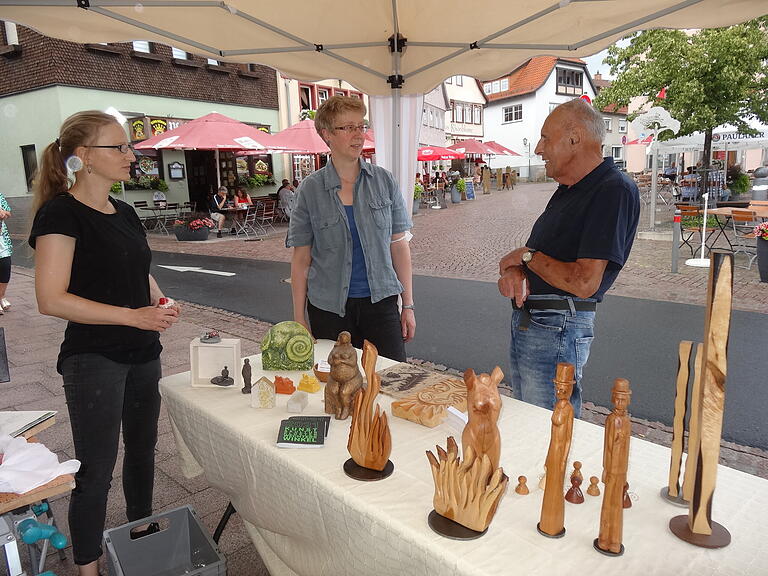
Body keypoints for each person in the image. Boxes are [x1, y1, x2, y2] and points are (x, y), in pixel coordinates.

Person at [28, 110, 180, 576]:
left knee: (142, 452)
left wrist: (157, 299)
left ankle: (139, 539)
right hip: (94, 358)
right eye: (119, 147)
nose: (130, 155)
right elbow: (50, 299)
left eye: (129, 147)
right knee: (95, 468)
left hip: (142, 353)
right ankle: (88, 565)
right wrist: (133, 316)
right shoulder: (60, 213)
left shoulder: (125, 211)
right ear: (83, 158)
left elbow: (138, 270)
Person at [497, 98, 640, 417]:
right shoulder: (571, 189)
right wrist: (519, 272)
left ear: (575, 138)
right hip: (540, 322)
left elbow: (585, 282)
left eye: (546, 137)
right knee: (530, 417)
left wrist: (526, 257)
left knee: (547, 427)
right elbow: (539, 260)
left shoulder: (612, 190)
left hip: (556, 326)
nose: (538, 148)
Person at [287, 95, 415, 362]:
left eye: (361, 126)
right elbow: (301, 259)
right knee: (337, 385)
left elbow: (399, 245)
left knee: (391, 378)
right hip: (329, 308)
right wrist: (299, 317)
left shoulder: (384, 181)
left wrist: (409, 305)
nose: (359, 135)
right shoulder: (310, 190)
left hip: (381, 304)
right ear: (327, 134)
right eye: (348, 128)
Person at [0, 191, 12, 314]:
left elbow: (8, 212)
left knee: (5, 267)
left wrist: (3, 213)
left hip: (2, 240)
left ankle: (2, 296)